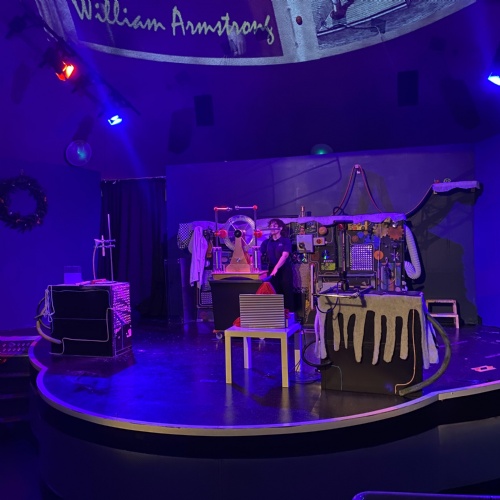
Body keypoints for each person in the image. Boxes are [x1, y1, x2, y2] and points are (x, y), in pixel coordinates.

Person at [260, 218, 295, 311]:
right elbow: (258, 253)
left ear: (280, 228)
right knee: (274, 292)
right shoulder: (266, 242)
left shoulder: (285, 241)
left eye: (275, 226)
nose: (272, 228)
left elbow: (285, 255)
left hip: (284, 270)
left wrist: (276, 268)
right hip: (272, 270)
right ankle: (276, 314)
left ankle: (289, 313)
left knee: (287, 292)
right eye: (271, 226)